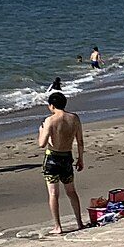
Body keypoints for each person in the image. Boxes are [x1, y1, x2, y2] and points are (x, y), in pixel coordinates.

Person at [37, 93, 87, 235]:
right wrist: (80, 158)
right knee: (71, 191)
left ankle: (57, 226)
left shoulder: (50, 120)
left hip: (52, 157)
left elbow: (42, 143)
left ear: (51, 106)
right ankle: (79, 222)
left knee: (53, 193)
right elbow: (80, 141)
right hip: (67, 156)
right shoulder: (74, 118)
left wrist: (41, 131)